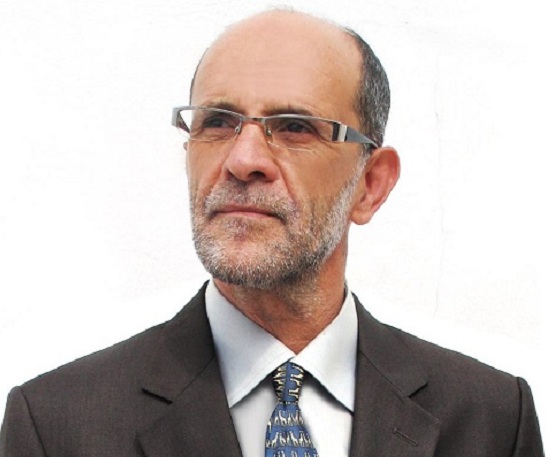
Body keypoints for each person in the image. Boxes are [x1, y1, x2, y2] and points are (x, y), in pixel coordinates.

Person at [0, 9, 544, 457]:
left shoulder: (491, 418)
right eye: (217, 121)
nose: (243, 160)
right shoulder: (57, 426)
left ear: (370, 185)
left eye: (294, 127)